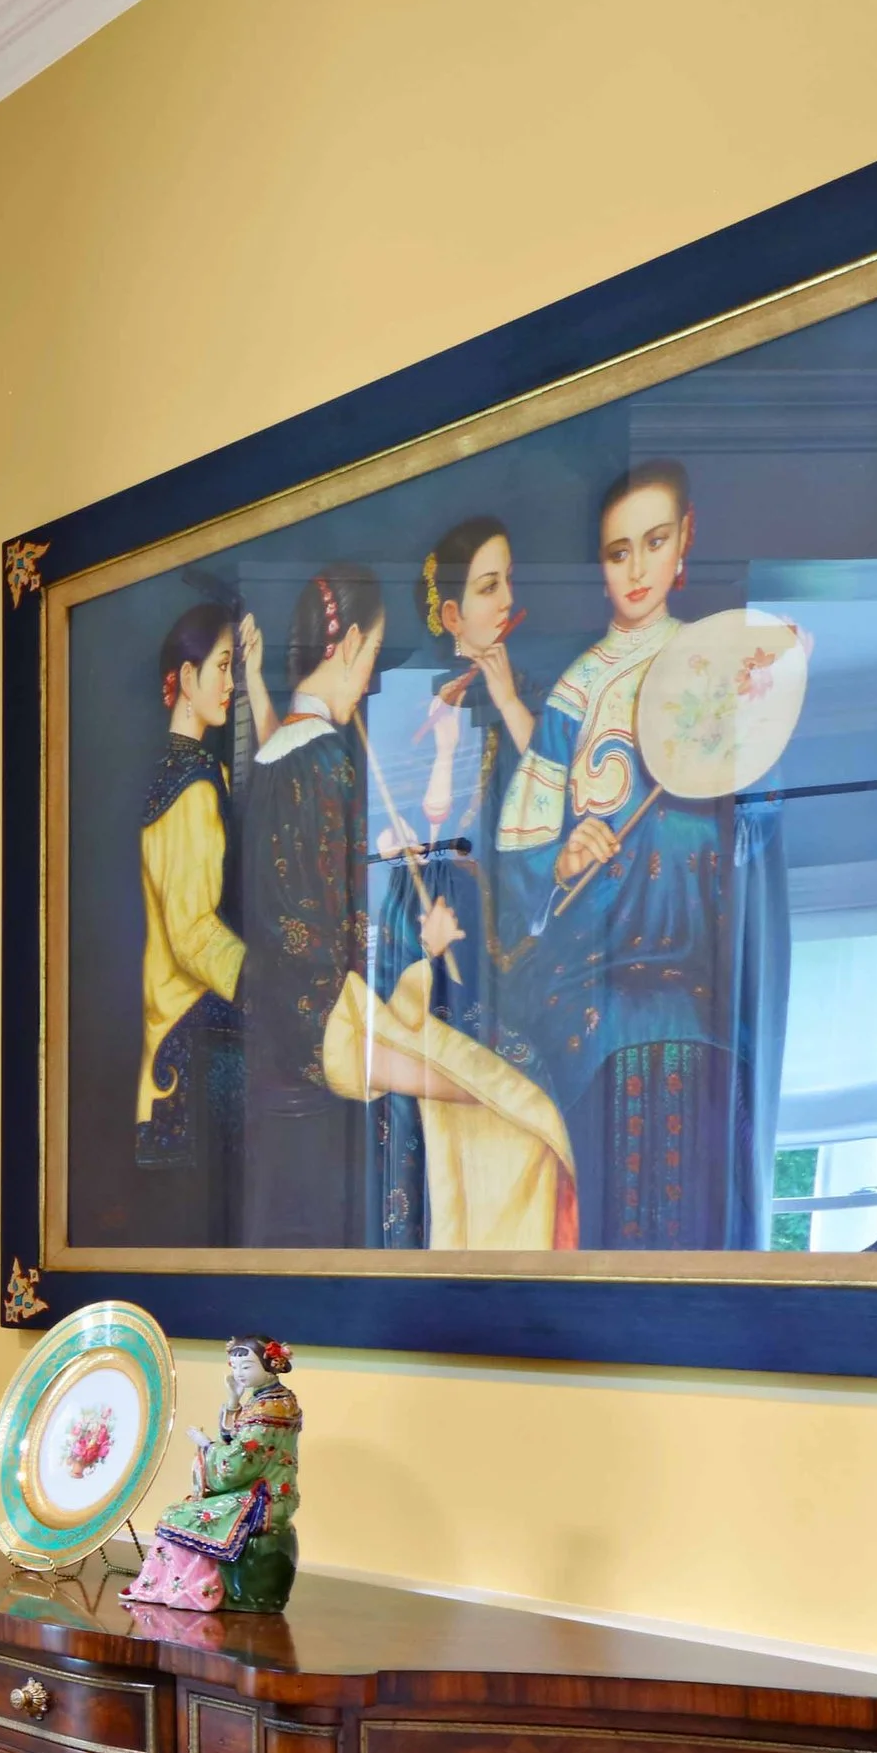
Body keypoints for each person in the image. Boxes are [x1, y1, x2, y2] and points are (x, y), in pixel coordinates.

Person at [242, 563, 576, 1252]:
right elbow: (342, 918)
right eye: (369, 659)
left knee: (502, 1094)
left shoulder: (275, 753)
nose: (368, 682)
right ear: (353, 642)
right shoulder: (330, 757)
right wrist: (419, 942)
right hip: (335, 1025)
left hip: (300, 1016)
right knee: (525, 1108)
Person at [491, 459, 779, 1248]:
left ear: (685, 541)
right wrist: (562, 857)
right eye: (619, 552)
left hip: (700, 998)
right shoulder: (575, 692)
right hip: (599, 1001)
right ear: (601, 565)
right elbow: (523, 853)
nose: (639, 567)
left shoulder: (717, 671)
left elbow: (754, 830)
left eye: (654, 542)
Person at [370, 514, 531, 1246]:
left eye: (508, 584)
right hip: (420, 909)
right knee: (418, 1097)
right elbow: (398, 823)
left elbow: (545, 802)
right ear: (450, 613)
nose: (503, 600)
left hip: (486, 912)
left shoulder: (517, 693)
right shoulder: (411, 694)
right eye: (486, 585)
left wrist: (505, 703)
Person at [133, 600, 256, 1222]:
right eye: (224, 666)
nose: (232, 683)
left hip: (175, 1028)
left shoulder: (177, 775)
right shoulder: (195, 784)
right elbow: (193, 932)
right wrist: (266, 986)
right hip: (199, 1039)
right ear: (186, 679)